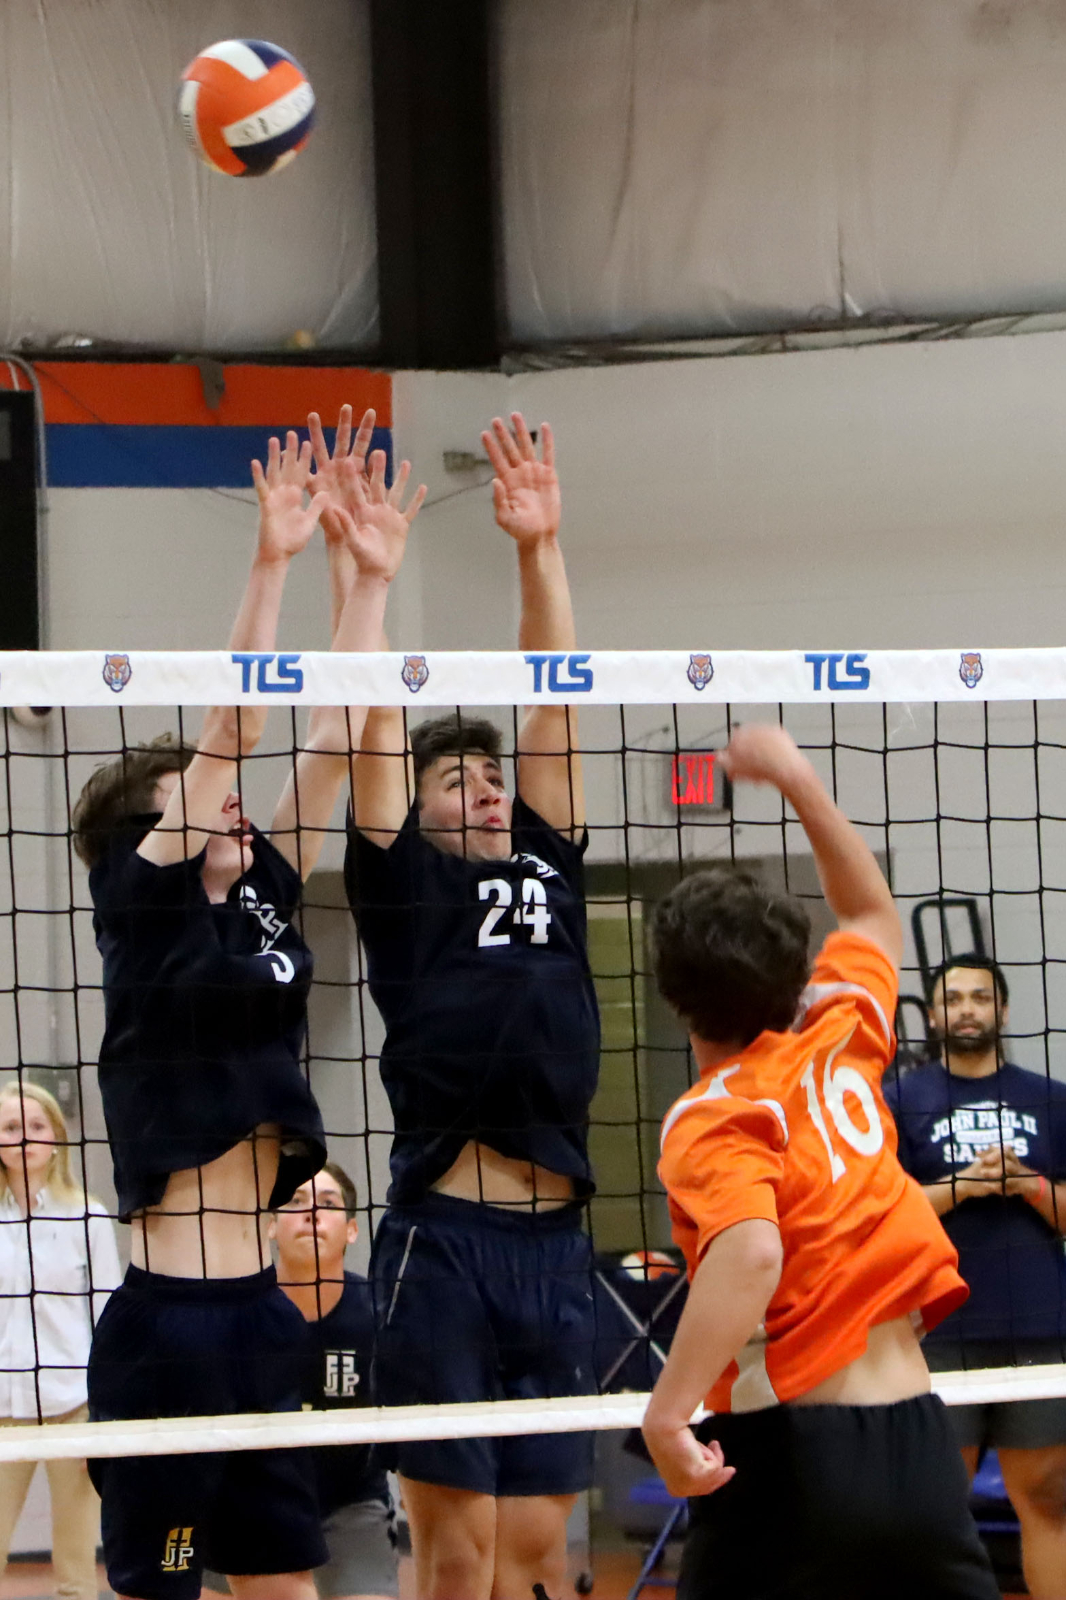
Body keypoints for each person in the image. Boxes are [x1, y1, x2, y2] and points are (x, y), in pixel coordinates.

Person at [71, 423, 424, 1600]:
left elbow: (329, 733)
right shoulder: (145, 904)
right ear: (150, 831)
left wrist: (367, 585)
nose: (229, 812)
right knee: (169, 1580)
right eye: (199, 803)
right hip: (169, 1329)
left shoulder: (263, 897)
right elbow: (238, 726)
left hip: (266, 1316)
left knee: (282, 1580)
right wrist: (270, 564)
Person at [641, 722, 999, 1600]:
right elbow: (871, 912)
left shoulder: (712, 1114)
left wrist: (664, 1411)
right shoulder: (842, 1035)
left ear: (676, 1000)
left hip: (792, 1456)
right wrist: (798, 779)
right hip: (917, 1443)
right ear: (798, 978)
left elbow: (752, 1250)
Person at [336, 413, 600, 1600]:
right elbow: (374, 728)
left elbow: (553, 699)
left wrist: (537, 550)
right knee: (458, 1552)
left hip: (556, 1243)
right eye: (462, 778)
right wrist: (372, 587)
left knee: (538, 1549)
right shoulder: (405, 883)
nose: (489, 789)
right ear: (426, 809)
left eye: (493, 777)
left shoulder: (547, 856)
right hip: (444, 1240)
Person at [886, 954, 1066, 1600]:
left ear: (1003, 1011)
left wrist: (1030, 1185)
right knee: (931, 1506)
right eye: (953, 999)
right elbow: (881, 1208)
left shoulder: (1050, 1098)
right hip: (937, 1329)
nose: (966, 1009)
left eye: (980, 998)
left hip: (1039, 1329)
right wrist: (961, 1188)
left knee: (1050, 1498)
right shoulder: (899, 1101)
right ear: (933, 1016)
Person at [203, 1161, 399, 1600]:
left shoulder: (379, 1314)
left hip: (350, 1506)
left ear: (350, 1230)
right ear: (271, 1227)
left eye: (327, 1204)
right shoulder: (237, 1313)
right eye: (295, 1202)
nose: (311, 1212)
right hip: (252, 1501)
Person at [0, 1078, 121, 1600]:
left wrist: (107, 1402)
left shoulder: (87, 1215)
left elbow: (108, 1314)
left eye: (35, 1124)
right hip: (4, 1408)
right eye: (9, 1127)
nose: (23, 1136)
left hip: (75, 1403)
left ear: (56, 1137)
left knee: (76, 1561)